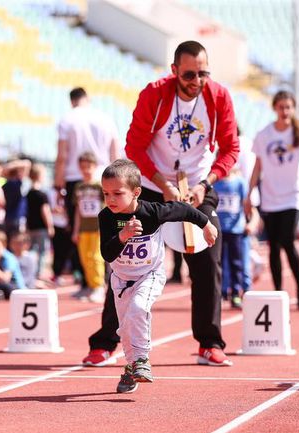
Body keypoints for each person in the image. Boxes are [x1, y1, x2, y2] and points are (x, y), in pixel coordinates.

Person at [83, 40, 239, 367]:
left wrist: (205, 183)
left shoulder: (219, 97)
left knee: (209, 257)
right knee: (126, 261)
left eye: (203, 73)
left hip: (197, 184)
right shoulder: (154, 94)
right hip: (153, 186)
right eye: (189, 74)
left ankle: (209, 342)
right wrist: (163, 184)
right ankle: (105, 341)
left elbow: (229, 149)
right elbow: (134, 146)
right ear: (174, 71)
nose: (197, 80)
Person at [99, 160, 217, 393]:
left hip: (149, 274)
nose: (110, 199)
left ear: (136, 192)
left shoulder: (151, 211)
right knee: (125, 329)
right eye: (105, 193)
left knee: (138, 308)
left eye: (117, 193)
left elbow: (183, 209)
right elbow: (107, 253)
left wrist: (206, 224)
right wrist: (122, 236)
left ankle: (142, 361)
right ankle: (132, 367)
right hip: (121, 279)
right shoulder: (106, 217)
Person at [246, 90, 299, 310]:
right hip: (270, 196)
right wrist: (250, 192)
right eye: (281, 107)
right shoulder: (264, 134)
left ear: (293, 108)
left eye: (288, 107)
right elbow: (257, 165)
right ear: (274, 108)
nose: (285, 111)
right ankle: (278, 293)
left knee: (287, 241)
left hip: (293, 196)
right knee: (274, 246)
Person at [54, 87, 120, 294]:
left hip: (76, 177)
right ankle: (109, 279)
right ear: (87, 99)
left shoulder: (67, 119)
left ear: (72, 101)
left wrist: (58, 184)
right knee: (108, 230)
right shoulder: (105, 118)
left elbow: (63, 155)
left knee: (81, 232)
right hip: (104, 176)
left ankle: (88, 282)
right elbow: (114, 150)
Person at [71, 152, 106, 303]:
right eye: (83, 167)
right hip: (83, 228)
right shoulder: (79, 187)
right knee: (85, 258)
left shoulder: (99, 186)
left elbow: (106, 207)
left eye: (89, 167)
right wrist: (75, 230)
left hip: (97, 227)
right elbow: (78, 211)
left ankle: (99, 286)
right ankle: (91, 286)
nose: (86, 170)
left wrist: (106, 226)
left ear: (95, 167)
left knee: (95, 257)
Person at [214, 164, 247, 308]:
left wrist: (249, 221)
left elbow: (246, 203)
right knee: (218, 262)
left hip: (236, 229)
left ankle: (235, 292)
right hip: (219, 229)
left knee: (236, 262)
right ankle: (220, 292)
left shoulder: (239, 182)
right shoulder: (214, 183)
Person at [26, 163, 55, 280]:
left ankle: (31, 273)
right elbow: (45, 211)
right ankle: (38, 273)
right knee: (42, 252)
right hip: (41, 228)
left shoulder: (28, 193)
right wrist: (50, 226)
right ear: (39, 176)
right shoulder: (42, 194)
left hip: (31, 227)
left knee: (32, 250)